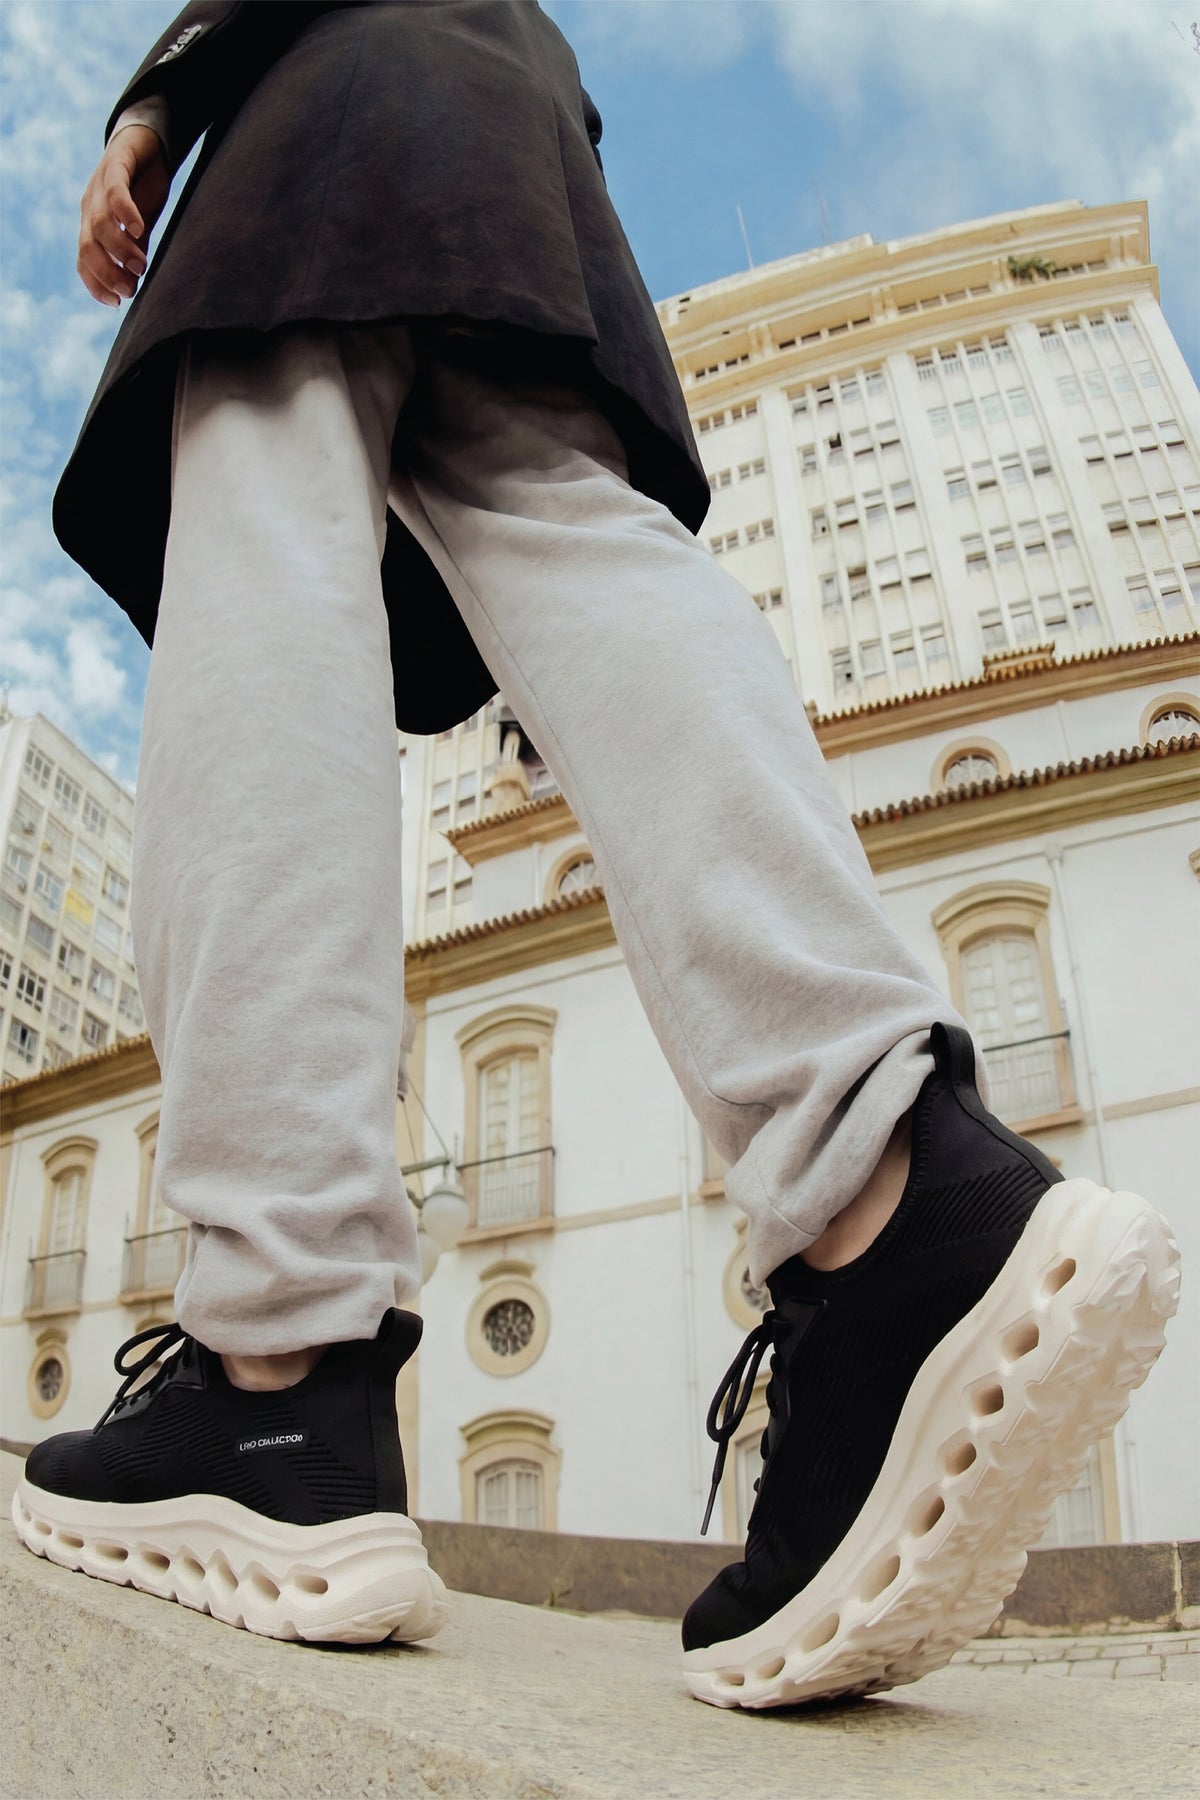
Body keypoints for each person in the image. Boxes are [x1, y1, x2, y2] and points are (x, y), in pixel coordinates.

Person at [14, 0, 1179, 1710]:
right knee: (569, 523)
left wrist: (156, 106)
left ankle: (273, 1366)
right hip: (511, 140)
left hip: (327, 108)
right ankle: (894, 1192)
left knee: (265, 499)